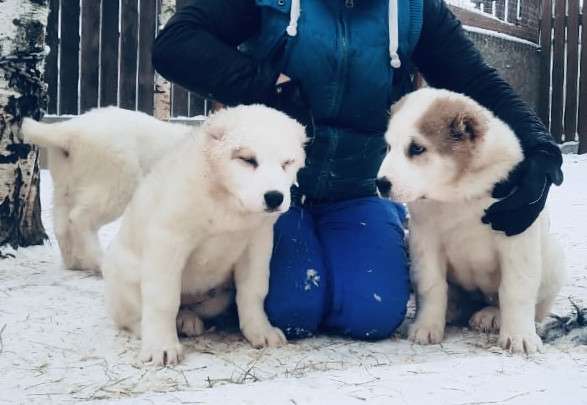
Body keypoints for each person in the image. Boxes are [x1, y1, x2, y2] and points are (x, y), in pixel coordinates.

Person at [152, 0, 563, 341]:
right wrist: (263, 82)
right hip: (276, 189)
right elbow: (175, 44)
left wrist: (540, 149)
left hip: (360, 188)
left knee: (372, 313)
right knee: (291, 309)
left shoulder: (412, 9)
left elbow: (477, 79)